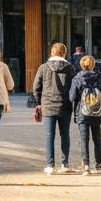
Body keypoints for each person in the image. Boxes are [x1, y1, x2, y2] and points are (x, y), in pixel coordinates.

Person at [33, 43, 76, 175]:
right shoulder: (70, 68)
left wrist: (38, 102)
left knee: (49, 136)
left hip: (47, 106)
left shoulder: (43, 67)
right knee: (65, 135)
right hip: (65, 106)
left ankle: (50, 165)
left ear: (52, 53)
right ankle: (65, 164)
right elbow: (74, 87)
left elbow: (36, 87)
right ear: (64, 53)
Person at [70, 54, 101, 174]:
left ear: (81, 65)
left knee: (84, 139)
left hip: (82, 113)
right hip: (97, 113)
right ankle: (98, 164)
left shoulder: (77, 78)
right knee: (97, 138)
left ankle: (86, 166)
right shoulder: (100, 77)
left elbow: (72, 97)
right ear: (93, 65)